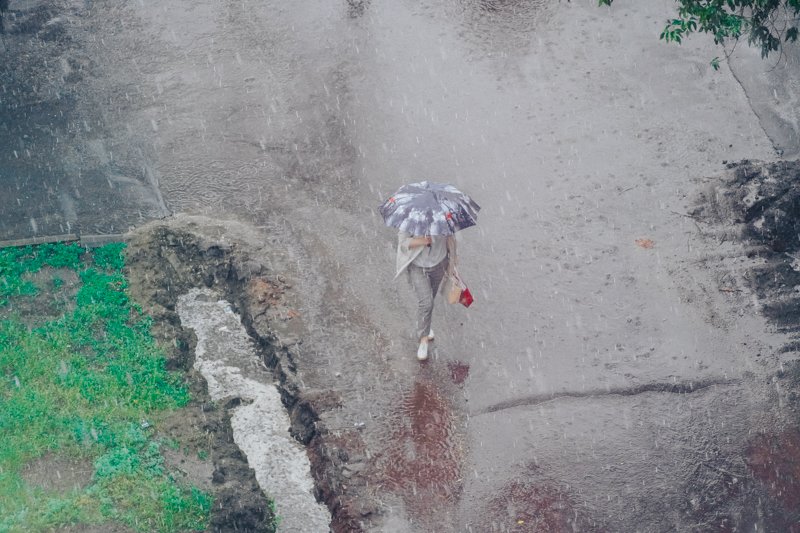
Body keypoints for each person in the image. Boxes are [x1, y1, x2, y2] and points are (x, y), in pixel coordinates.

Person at [395, 231, 457, 360]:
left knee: (430, 299)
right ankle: (423, 340)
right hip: (418, 267)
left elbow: (451, 238)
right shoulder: (412, 217)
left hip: (440, 264)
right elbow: (403, 244)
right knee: (427, 303)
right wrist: (423, 241)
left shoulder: (443, 217)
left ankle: (425, 326)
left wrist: (454, 257)